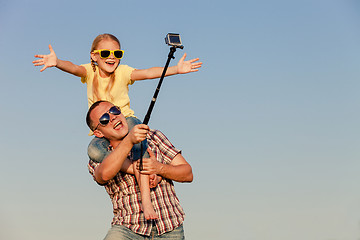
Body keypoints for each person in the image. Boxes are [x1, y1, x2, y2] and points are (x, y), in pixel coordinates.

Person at [32, 33, 201, 219]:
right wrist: (57, 62)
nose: (111, 57)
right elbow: (74, 68)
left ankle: (146, 201)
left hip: (127, 121)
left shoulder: (123, 72)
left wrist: (176, 69)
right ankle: (132, 168)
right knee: (94, 151)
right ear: (94, 56)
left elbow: (147, 73)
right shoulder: (90, 71)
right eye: (105, 53)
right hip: (104, 131)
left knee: (139, 148)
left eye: (117, 53)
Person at [86, 100, 193, 239]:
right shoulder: (98, 155)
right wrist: (129, 140)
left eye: (114, 110)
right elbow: (104, 175)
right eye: (104, 119)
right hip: (128, 228)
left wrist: (159, 168)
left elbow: (188, 173)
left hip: (170, 227)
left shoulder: (153, 137)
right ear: (98, 133)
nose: (112, 117)